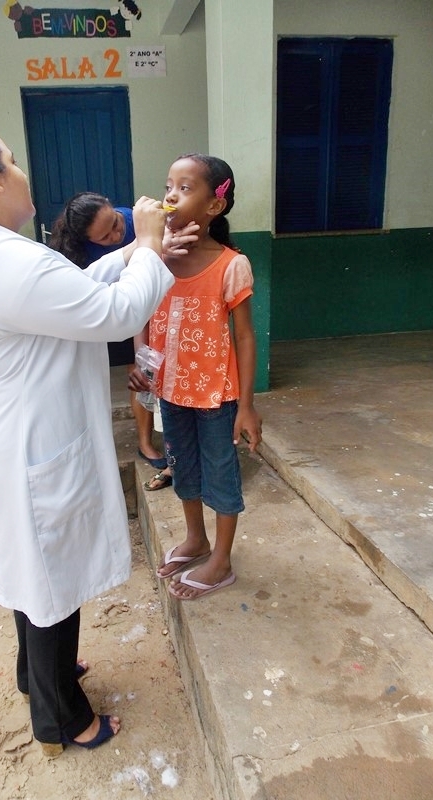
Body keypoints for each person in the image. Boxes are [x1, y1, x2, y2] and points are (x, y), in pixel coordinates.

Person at [0, 117, 177, 757]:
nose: (23, 170)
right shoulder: (0, 257)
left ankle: (37, 677)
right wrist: (144, 244)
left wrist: (143, 255)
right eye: (12, 157)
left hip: (12, 433)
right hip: (30, 440)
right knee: (48, 571)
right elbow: (113, 313)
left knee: (33, 565)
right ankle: (62, 718)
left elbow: (71, 292)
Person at [130, 153, 263, 599]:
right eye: (169, 184)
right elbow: (142, 314)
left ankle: (221, 560)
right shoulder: (157, 259)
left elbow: (244, 338)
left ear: (214, 206)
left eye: (186, 188)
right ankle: (196, 539)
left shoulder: (230, 265)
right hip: (171, 389)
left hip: (216, 396)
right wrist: (143, 365)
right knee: (181, 465)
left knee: (221, 474)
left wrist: (246, 406)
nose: (170, 195)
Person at [49, 193, 168, 472]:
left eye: (116, 223)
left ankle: (145, 442)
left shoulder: (137, 220)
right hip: (98, 314)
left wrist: (141, 350)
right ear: (87, 241)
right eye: (104, 238)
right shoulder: (73, 252)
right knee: (89, 375)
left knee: (138, 375)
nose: (116, 235)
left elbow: (144, 291)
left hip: (139, 307)